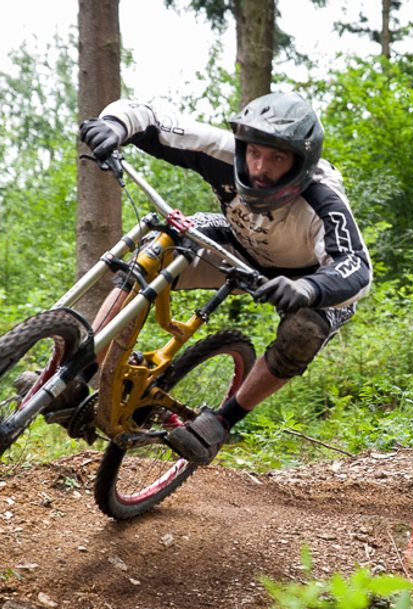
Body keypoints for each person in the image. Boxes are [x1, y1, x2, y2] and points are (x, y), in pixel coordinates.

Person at [79, 91, 372, 465]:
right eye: (254, 153)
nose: (259, 168)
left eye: (276, 158)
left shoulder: (323, 198)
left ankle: (221, 421)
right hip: (237, 245)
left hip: (306, 279)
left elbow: (356, 266)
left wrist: (307, 287)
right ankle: (87, 369)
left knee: (304, 332)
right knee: (154, 249)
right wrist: (113, 126)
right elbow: (153, 116)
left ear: (301, 161)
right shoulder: (223, 152)